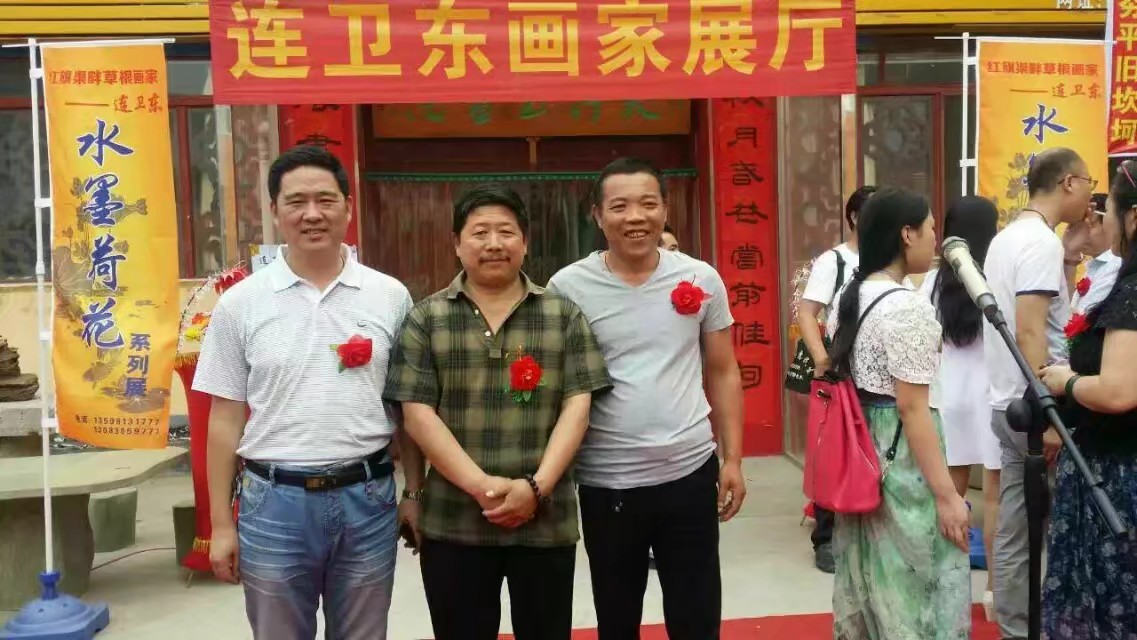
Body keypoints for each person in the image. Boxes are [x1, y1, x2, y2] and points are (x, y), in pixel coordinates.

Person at [195, 145, 413, 640]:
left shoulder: (389, 296)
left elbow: (407, 408)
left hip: (368, 499)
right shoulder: (240, 304)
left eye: (325, 200)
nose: (312, 214)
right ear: (275, 211)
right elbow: (224, 418)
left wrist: (414, 493)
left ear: (348, 207)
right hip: (274, 505)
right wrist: (221, 526)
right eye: (296, 202)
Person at [383, 184, 611, 640]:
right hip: (454, 522)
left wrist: (535, 488)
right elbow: (417, 414)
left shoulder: (563, 315)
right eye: (479, 232)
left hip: (545, 521)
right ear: (456, 243)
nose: (493, 243)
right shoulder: (427, 318)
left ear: (525, 242)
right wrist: (482, 488)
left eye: (506, 232)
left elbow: (578, 407)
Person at [547, 157, 747, 639]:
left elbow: (723, 370)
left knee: (696, 617)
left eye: (647, 204)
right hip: (607, 482)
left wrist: (733, 459)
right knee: (617, 618)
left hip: (690, 473)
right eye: (619, 207)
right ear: (597, 215)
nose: (635, 217)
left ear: (665, 209)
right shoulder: (567, 288)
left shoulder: (701, 278)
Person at [827, 187, 971, 640]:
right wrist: (948, 495)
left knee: (872, 568)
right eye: (930, 229)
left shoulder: (851, 295)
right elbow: (912, 407)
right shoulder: (906, 306)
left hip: (862, 445)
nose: (935, 239)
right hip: (901, 452)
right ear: (907, 235)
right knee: (917, 576)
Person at [982, 147, 1093, 640]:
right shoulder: (1039, 243)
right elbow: (1031, 331)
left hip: (1007, 400)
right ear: (1068, 182)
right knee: (1033, 529)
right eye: (1088, 183)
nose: (1091, 195)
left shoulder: (1009, 238)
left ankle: (1015, 625)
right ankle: (1026, 626)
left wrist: (1069, 255)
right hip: (1033, 407)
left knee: (1015, 525)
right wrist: (1048, 416)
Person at [1039, 159, 1137, 640]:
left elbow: (1118, 390)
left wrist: (1067, 382)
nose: (1103, 220)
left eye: (1109, 210)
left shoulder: (1132, 293)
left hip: (1115, 478)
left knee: (1106, 606)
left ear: (1133, 218)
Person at [918, 195, 1002, 619]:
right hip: (990, 395)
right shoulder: (996, 276)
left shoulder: (933, 282)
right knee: (997, 499)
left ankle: (943, 585)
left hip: (947, 397)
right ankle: (994, 592)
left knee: (949, 496)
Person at [795, 185, 876, 573]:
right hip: (843, 370)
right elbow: (807, 312)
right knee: (833, 451)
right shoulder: (836, 261)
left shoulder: (892, 259)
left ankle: (867, 529)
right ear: (855, 218)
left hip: (881, 373)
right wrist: (822, 359)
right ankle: (826, 538)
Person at [1071, 192, 1123, 315]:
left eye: (1090, 225)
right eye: (1079, 226)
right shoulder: (1095, 265)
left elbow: (1083, 315)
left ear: (1109, 224)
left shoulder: (1116, 265)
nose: (1082, 232)